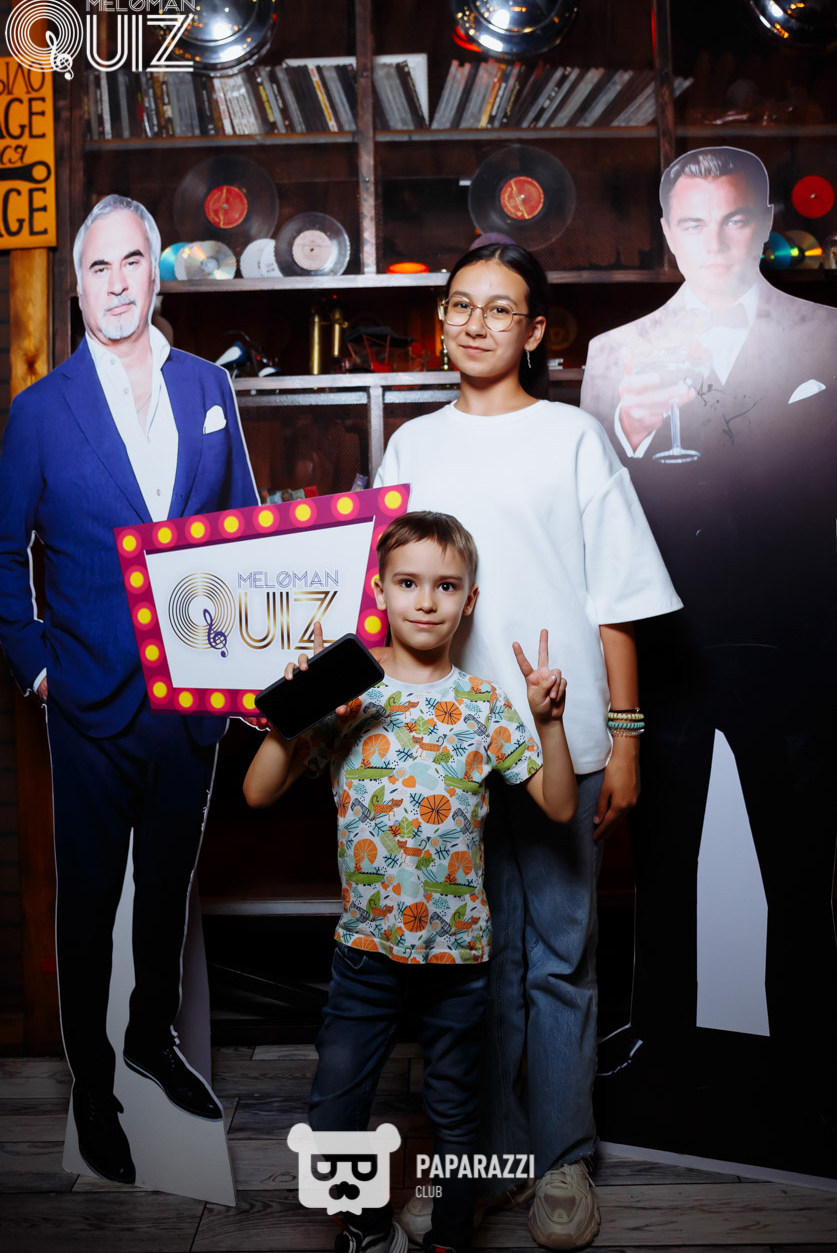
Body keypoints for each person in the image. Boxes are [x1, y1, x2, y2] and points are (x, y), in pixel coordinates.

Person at [374, 245, 680, 1249]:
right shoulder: (413, 444)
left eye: (498, 309)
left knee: (557, 960)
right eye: (458, 305)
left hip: (563, 743)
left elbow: (616, 599)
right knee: (474, 969)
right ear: (441, 319)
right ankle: (492, 1161)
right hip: (445, 753)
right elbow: (379, 600)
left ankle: (561, 1161)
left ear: (534, 330)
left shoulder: (573, 437)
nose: (473, 323)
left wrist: (623, 741)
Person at [0, 194, 258, 1184]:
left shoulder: (207, 387)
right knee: (91, 903)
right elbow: (0, 554)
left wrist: (246, 663)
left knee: (167, 891)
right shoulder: (40, 410)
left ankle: (150, 1040)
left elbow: (242, 528)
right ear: (77, 287)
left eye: (130, 262)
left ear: (156, 271)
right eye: (96, 267)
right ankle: (92, 1085)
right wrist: (39, 665)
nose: (114, 283)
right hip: (88, 701)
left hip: (191, 700)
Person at [244, 511, 579, 1253]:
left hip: (457, 959)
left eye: (446, 586)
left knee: (458, 1115)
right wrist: (289, 718)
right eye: (408, 583)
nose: (426, 601)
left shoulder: (484, 705)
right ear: (380, 591)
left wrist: (548, 721)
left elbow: (559, 807)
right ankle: (366, 1229)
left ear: (470, 600)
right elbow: (257, 793)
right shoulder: (347, 697)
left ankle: (451, 1236)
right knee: (334, 1115)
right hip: (365, 953)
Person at [581, 147, 837, 1090]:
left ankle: (810, 1057)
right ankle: (657, 1046)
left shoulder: (828, 337)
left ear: (764, 224)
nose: (715, 241)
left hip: (799, 649)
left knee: (800, 864)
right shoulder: (616, 353)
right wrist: (630, 431)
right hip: (667, 650)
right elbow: (596, 518)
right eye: (692, 223)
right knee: (661, 860)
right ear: (666, 234)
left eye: (733, 219)